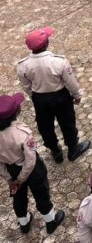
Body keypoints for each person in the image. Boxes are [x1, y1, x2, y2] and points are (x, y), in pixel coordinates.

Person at [16, 27, 90, 164]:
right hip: (60, 97)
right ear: (47, 44)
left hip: (40, 99)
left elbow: (26, 86)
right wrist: (76, 95)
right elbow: (70, 82)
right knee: (67, 123)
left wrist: (35, 96)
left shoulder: (23, 65)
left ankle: (56, 152)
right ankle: (73, 149)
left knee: (45, 126)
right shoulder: (59, 61)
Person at [0, 92, 65, 235]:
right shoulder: (22, 134)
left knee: (18, 197)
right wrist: (21, 179)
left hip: (11, 170)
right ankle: (50, 221)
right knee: (41, 193)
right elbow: (30, 161)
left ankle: (24, 223)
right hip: (32, 171)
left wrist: (10, 179)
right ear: (15, 114)